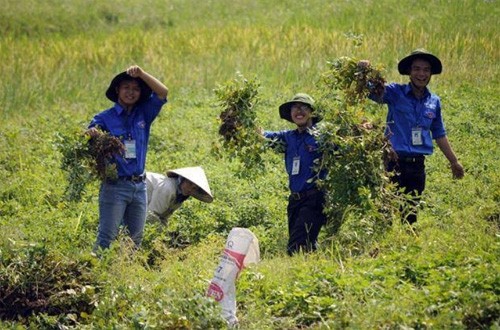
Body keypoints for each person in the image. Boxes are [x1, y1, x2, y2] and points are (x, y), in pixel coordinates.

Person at [359, 49, 464, 225]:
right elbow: (370, 92)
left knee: (410, 214)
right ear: (409, 71)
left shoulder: (434, 101)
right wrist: (363, 72)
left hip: (417, 165)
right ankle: (384, 247)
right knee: (386, 211)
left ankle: (407, 245)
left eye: (426, 70)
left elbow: (439, 133)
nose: (421, 74)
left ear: (431, 73)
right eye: (416, 69)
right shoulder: (395, 92)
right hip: (393, 162)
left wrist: (454, 162)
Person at [87, 65, 168, 251]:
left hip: (140, 186)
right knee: (107, 238)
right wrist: (91, 134)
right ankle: (95, 274)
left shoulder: (144, 114)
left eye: (136, 89)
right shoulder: (104, 118)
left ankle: (125, 276)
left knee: (135, 240)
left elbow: (163, 92)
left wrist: (141, 74)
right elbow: (89, 138)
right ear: (117, 90)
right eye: (126, 88)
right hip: (115, 186)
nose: (131, 92)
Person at [262, 93, 327, 255]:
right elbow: (262, 136)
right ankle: (312, 275)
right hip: (295, 200)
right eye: (294, 108)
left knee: (296, 247)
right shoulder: (288, 137)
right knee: (307, 246)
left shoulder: (323, 136)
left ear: (312, 112)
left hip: (314, 198)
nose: (299, 111)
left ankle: (297, 275)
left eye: (304, 107)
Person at [146, 166, 213, 225]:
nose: (190, 189)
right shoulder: (168, 188)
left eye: (194, 188)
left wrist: (165, 234)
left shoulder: (180, 196)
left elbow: (163, 217)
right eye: (189, 184)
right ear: (182, 179)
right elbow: (151, 215)